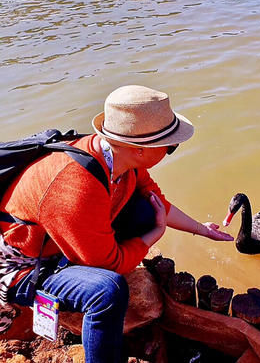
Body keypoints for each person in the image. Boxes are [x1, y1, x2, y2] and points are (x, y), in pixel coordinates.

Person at [0, 85, 234, 362]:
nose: (173, 149)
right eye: (170, 147)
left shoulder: (117, 156)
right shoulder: (74, 187)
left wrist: (201, 229)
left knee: (146, 211)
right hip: (24, 266)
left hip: (61, 240)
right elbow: (108, 264)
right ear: (139, 150)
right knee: (107, 292)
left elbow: (157, 202)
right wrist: (153, 237)